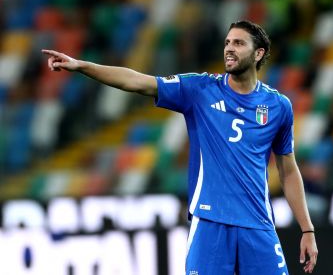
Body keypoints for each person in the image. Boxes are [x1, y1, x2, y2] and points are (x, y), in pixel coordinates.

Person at [43, 20, 318, 274]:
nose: (229, 49)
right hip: (210, 221)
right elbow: (138, 82)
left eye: (238, 43)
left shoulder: (278, 106)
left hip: (258, 224)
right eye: (227, 43)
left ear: (258, 54)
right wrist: (82, 66)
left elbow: (288, 170)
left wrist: (307, 229)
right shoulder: (200, 89)